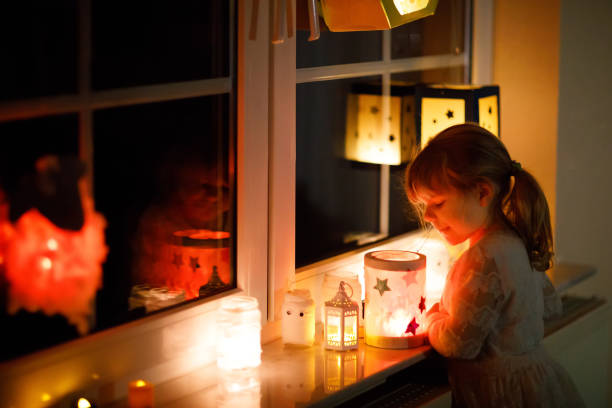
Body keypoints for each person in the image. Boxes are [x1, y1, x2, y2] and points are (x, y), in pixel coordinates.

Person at [405, 123, 584, 407]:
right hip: (536, 384)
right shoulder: (517, 240)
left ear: (482, 193)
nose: (427, 215)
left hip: (500, 396)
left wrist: (433, 317)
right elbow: (551, 307)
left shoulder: (482, 258)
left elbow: (459, 344)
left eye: (437, 203)